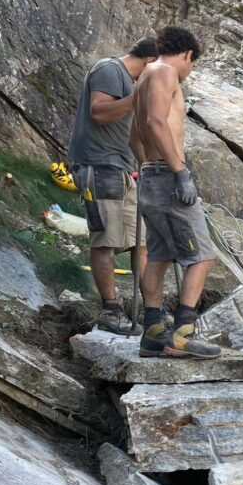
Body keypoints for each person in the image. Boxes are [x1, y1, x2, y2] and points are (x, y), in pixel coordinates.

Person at [131, 26, 219, 359]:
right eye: (192, 64)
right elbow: (155, 122)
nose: (189, 71)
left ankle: (153, 333)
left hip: (152, 176)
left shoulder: (143, 78)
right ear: (187, 55)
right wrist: (179, 172)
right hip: (168, 178)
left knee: (159, 255)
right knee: (202, 256)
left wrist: (150, 169)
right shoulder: (165, 71)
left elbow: (133, 136)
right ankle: (182, 335)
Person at [67, 37, 158, 334]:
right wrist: (139, 96)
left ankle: (152, 313)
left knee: (140, 243)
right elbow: (100, 112)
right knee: (106, 239)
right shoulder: (109, 69)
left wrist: (150, 167)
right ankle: (111, 310)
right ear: (149, 60)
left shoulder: (130, 83)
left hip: (122, 169)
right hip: (98, 166)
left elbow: (133, 134)